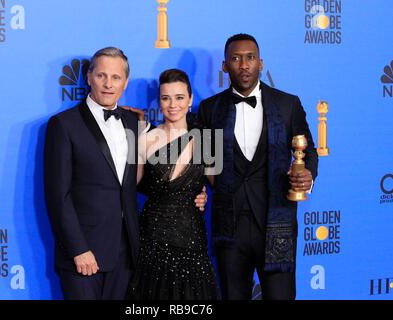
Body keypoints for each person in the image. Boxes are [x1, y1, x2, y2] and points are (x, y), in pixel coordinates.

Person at [44, 47, 208, 300]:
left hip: (128, 251)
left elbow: (146, 180)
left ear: (125, 82)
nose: (108, 84)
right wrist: (79, 249)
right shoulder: (64, 125)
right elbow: (58, 197)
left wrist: (197, 191)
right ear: (89, 77)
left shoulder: (134, 124)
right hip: (85, 252)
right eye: (102, 76)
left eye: (116, 78)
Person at [197, 34, 318, 300]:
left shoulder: (288, 104)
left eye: (250, 57)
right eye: (236, 58)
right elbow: (200, 160)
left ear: (260, 63)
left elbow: (308, 151)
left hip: (276, 221)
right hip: (229, 226)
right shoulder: (209, 109)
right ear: (225, 65)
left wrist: (307, 176)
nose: (244, 65)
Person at [127, 69, 217, 300]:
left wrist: (204, 192)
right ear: (159, 101)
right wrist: (134, 134)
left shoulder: (206, 139)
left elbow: (221, 186)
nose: (172, 104)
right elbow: (131, 185)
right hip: (153, 238)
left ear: (190, 100)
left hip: (192, 240)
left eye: (179, 97)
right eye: (166, 98)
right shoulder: (144, 138)